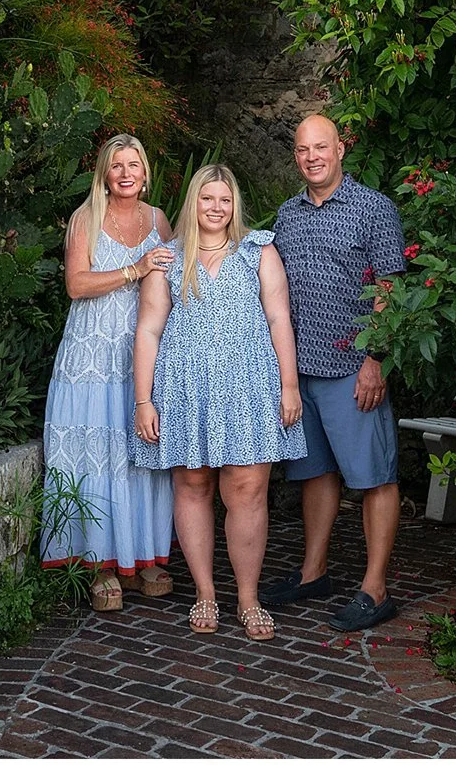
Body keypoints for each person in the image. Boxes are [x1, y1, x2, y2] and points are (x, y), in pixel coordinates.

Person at [131, 163, 306, 640]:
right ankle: (205, 593)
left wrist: (289, 386)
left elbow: (280, 319)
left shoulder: (258, 251)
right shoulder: (167, 258)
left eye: (225, 200)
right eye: (207, 198)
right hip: (185, 389)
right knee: (192, 485)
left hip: (249, 387)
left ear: (235, 205)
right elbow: (148, 329)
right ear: (194, 202)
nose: (216, 207)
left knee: (247, 490)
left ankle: (248, 598)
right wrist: (143, 400)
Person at [261, 115, 407, 631]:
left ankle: (375, 589)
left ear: (340, 149)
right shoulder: (287, 214)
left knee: (374, 477)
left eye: (321, 147)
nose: (312, 158)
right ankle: (313, 573)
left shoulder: (373, 209)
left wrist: (375, 359)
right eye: (303, 150)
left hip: (353, 369)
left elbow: (391, 288)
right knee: (316, 475)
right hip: (301, 372)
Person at [40, 134, 178, 612]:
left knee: (141, 454)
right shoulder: (86, 218)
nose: (125, 173)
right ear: (104, 173)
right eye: (116, 165)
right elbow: (76, 285)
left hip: (143, 355)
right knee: (97, 453)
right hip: (92, 357)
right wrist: (134, 270)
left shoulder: (159, 220)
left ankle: (141, 559)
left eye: (133, 165)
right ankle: (99, 563)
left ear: (145, 173)